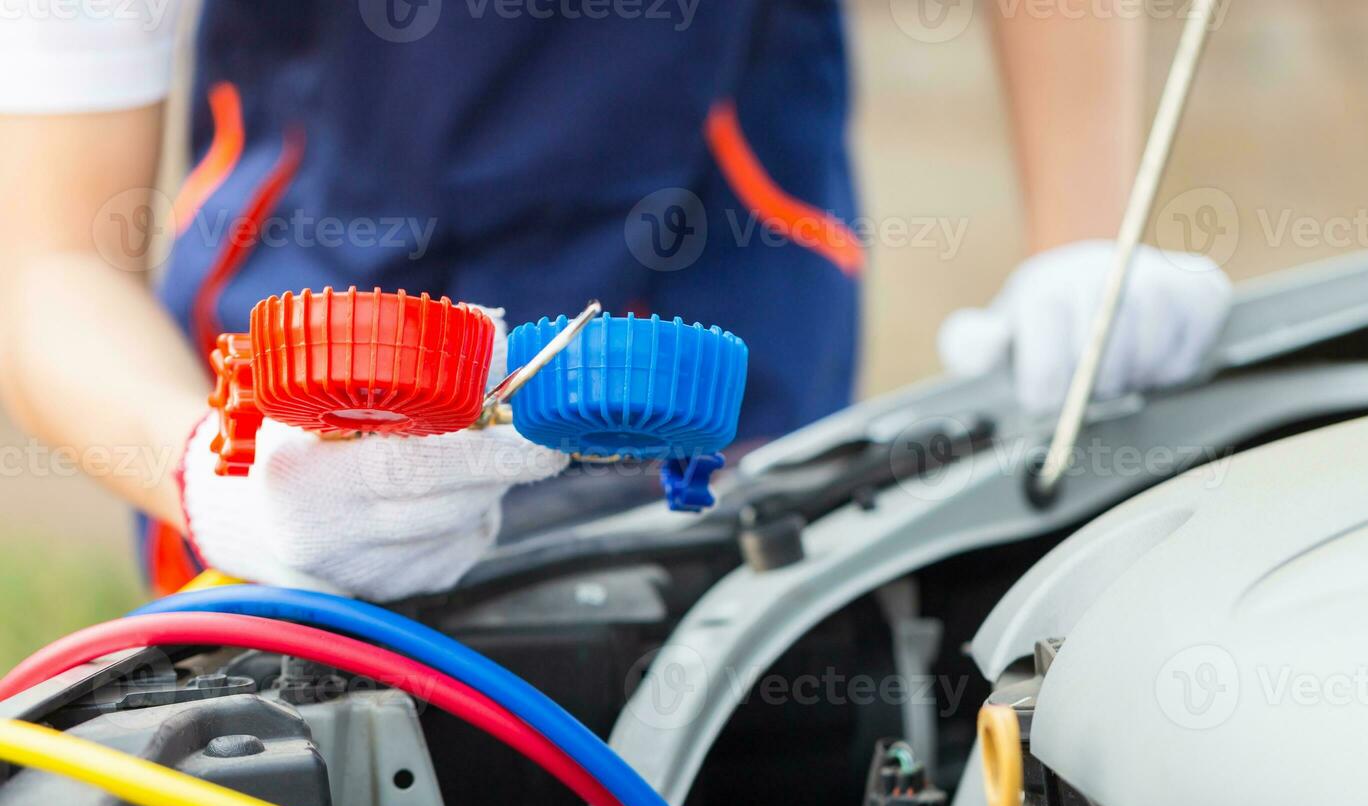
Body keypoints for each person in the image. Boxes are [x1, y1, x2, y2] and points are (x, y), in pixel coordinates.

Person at [0, 0, 1230, 602]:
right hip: (297, 430)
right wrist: (209, 475)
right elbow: (46, 263)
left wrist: (1085, 238)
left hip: (725, 377)